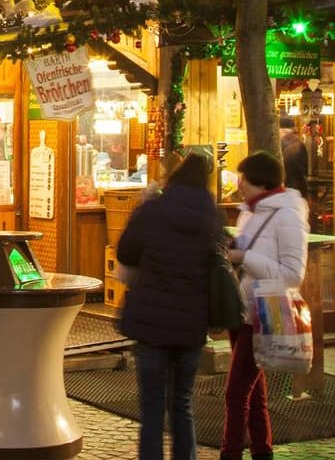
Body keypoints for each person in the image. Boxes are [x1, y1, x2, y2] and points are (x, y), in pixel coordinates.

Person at [115, 152, 224, 460]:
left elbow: (125, 251)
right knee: (183, 404)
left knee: (151, 407)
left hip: (151, 323)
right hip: (191, 324)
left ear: (173, 178)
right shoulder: (213, 218)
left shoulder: (153, 211)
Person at [222, 149, 309, 460]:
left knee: (235, 394)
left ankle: (230, 453)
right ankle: (262, 450)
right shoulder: (249, 212)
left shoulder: (288, 216)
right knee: (253, 394)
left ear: (259, 181)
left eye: (243, 178)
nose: (238, 184)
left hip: (266, 313)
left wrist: (245, 257)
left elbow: (292, 274)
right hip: (242, 309)